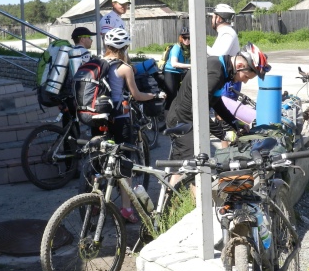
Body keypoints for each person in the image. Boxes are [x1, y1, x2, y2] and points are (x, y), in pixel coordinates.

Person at [166, 42, 270, 187]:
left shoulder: (221, 68)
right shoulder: (215, 73)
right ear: (240, 66)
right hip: (184, 121)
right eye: (246, 76)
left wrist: (235, 123)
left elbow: (216, 103)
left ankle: (170, 198)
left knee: (180, 169)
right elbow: (200, 111)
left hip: (183, 118)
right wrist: (223, 134)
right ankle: (194, 202)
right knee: (196, 173)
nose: (245, 81)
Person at [103, 28, 165, 223]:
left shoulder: (99, 63)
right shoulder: (124, 68)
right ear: (125, 48)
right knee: (125, 163)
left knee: (102, 158)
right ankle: (126, 208)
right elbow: (136, 95)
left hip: (100, 116)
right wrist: (154, 95)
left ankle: (95, 201)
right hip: (120, 118)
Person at [206, 4, 241, 148]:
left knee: (223, 116)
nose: (211, 20)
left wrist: (200, 45)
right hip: (226, 78)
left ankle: (228, 151)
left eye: (213, 17)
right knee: (220, 115)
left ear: (219, 18)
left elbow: (218, 56)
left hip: (228, 80)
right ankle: (225, 150)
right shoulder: (225, 32)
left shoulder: (227, 33)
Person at [162, 27, 191, 110]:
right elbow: (174, 64)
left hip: (181, 72)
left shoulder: (190, 48)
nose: (187, 40)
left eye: (189, 38)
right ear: (181, 38)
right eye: (184, 38)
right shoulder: (177, 47)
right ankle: (167, 116)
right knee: (171, 97)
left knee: (186, 96)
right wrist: (191, 65)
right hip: (171, 72)